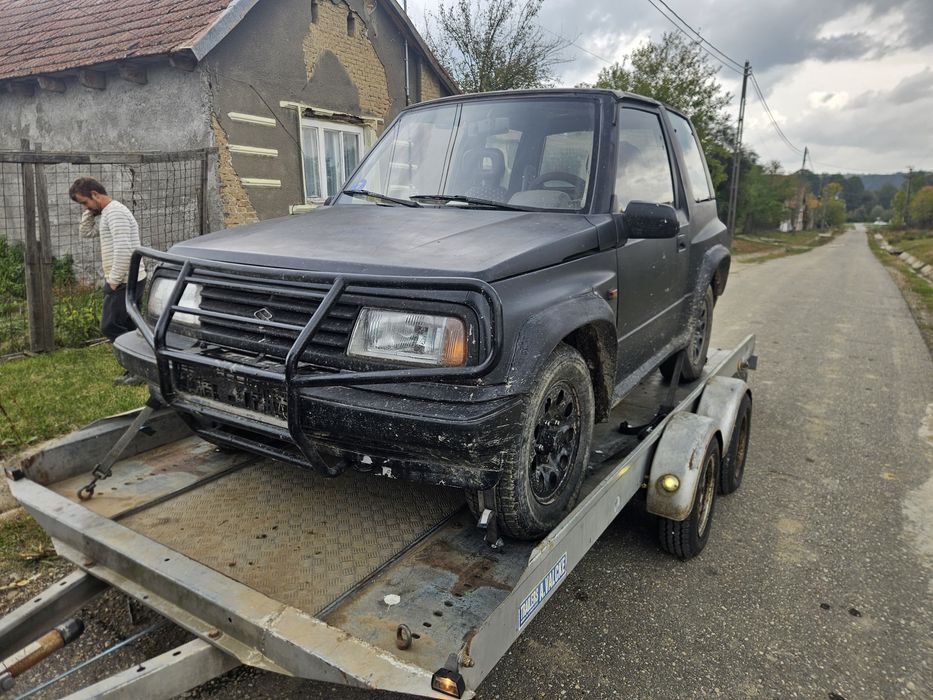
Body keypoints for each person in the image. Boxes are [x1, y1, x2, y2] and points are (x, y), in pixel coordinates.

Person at [69, 177, 147, 385]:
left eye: (84, 202)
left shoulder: (116, 213)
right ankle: (139, 371)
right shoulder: (107, 214)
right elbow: (86, 232)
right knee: (130, 326)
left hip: (124, 280)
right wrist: (91, 211)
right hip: (128, 278)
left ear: (95, 194)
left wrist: (113, 281)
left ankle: (139, 370)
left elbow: (124, 250)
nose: (85, 207)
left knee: (110, 326)